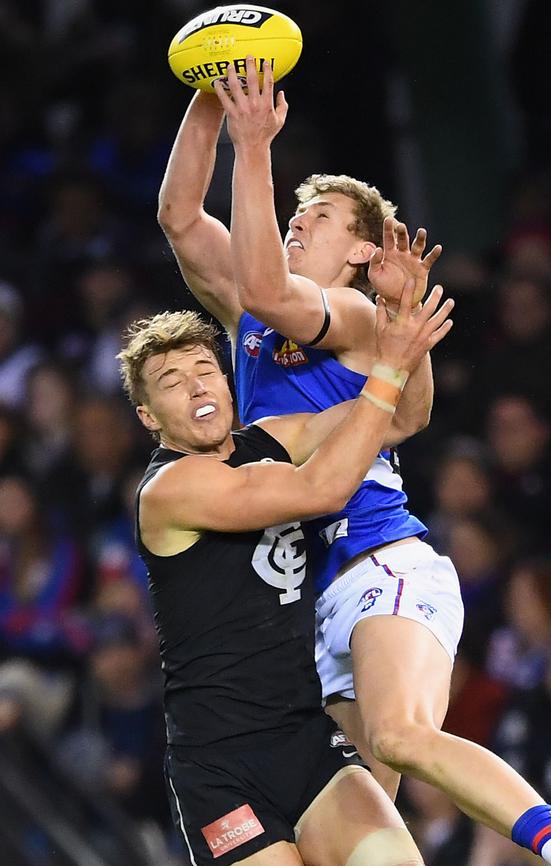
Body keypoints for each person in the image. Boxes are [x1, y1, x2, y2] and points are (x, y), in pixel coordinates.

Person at [158, 57, 551, 866]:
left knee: (403, 735)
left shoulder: (352, 312)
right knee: (363, 842)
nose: (299, 222)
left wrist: (255, 142)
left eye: (322, 215)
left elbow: (270, 288)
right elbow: (180, 215)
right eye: (296, 213)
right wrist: (208, 95)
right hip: (312, 605)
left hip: (381, 562)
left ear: (366, 251)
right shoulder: (256, 321)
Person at [117, 295, 450, 866]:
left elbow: (401, 418)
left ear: (227, 383)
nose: (197, 388)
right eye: (172, 382)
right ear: (149, 417)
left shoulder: (270, 439)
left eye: (205, 371)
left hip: (305, 735)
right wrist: (387, 366)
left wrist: (403, 332)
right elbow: (319, 491)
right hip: (220, 766)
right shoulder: (169, 490)